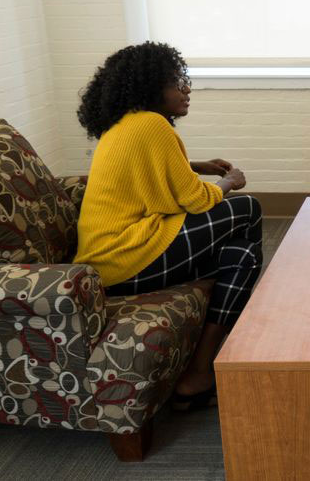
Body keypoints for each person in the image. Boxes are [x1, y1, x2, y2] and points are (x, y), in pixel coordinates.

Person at [74, 41, 263, 411]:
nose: (187, 89)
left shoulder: (126, 124)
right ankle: (237, 335)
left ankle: (201, 369)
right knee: (247, 209)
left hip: (112, 260)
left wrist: (198, 165)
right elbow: (197, 200)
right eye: (177, 81)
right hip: (123, 258)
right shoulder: (152, 124)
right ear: (150, 87)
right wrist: (230, 181)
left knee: (242, 254)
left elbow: (156, 171)